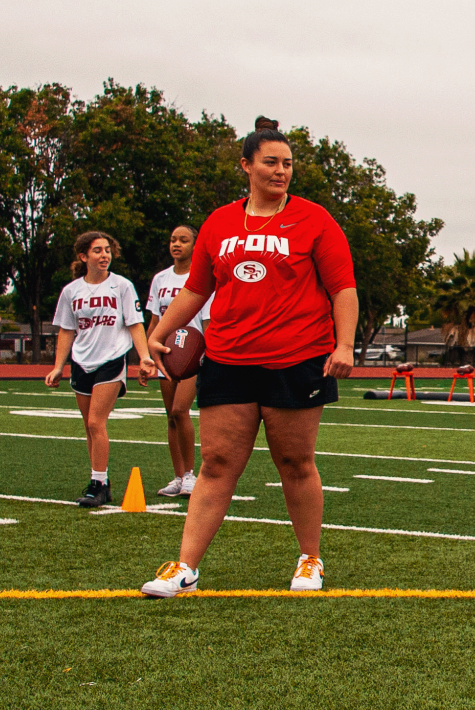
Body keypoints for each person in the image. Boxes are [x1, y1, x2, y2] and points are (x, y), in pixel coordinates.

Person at [140, 117, 357, 597]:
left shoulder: (315, 219)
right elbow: (197, 288)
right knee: (217, 463)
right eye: (271, 163)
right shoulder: (219, 222)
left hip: (297, 358)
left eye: (288, 164)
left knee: (295, 460)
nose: (281, 171)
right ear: (246, 165)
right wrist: (161, 332)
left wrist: (343, 345)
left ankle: (309, 559)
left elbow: (343, 287)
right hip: (228, 358)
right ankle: (185, 568)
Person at [46, 232, 156, 507]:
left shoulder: (122, 286)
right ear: (84, 256)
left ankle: (96, 484)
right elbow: (66, 331)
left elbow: (134, 324)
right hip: (82, 361)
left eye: (107, 250)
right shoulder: (71, 291)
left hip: (111, 359)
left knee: (97, 422)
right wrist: (59, 366)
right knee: (89, 426)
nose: (104, 255)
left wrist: (143, 357)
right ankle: (102, 482)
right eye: (97, 251)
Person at [146, 225, 214, 498]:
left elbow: (208, 323)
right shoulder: (160, 279)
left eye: (183, 240)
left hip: (191, 353)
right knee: (170, 417)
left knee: (179, 410)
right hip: (166, 353)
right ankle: (177, 476)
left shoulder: (202, 278)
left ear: (195, 245)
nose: (176, 244)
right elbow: (154, 321)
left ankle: (190, 474)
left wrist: (207, 355)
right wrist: (147, 357)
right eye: (173, 239)